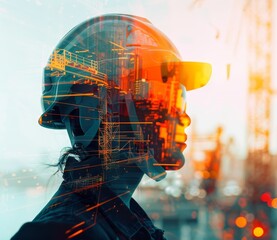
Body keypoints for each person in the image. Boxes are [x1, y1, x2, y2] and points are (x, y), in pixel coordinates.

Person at [11, 14, 211, 240]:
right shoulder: (59, 234)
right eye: (164, 100)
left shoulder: (121, 224)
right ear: (98, 109)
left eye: (180, 99)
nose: (183, 118)